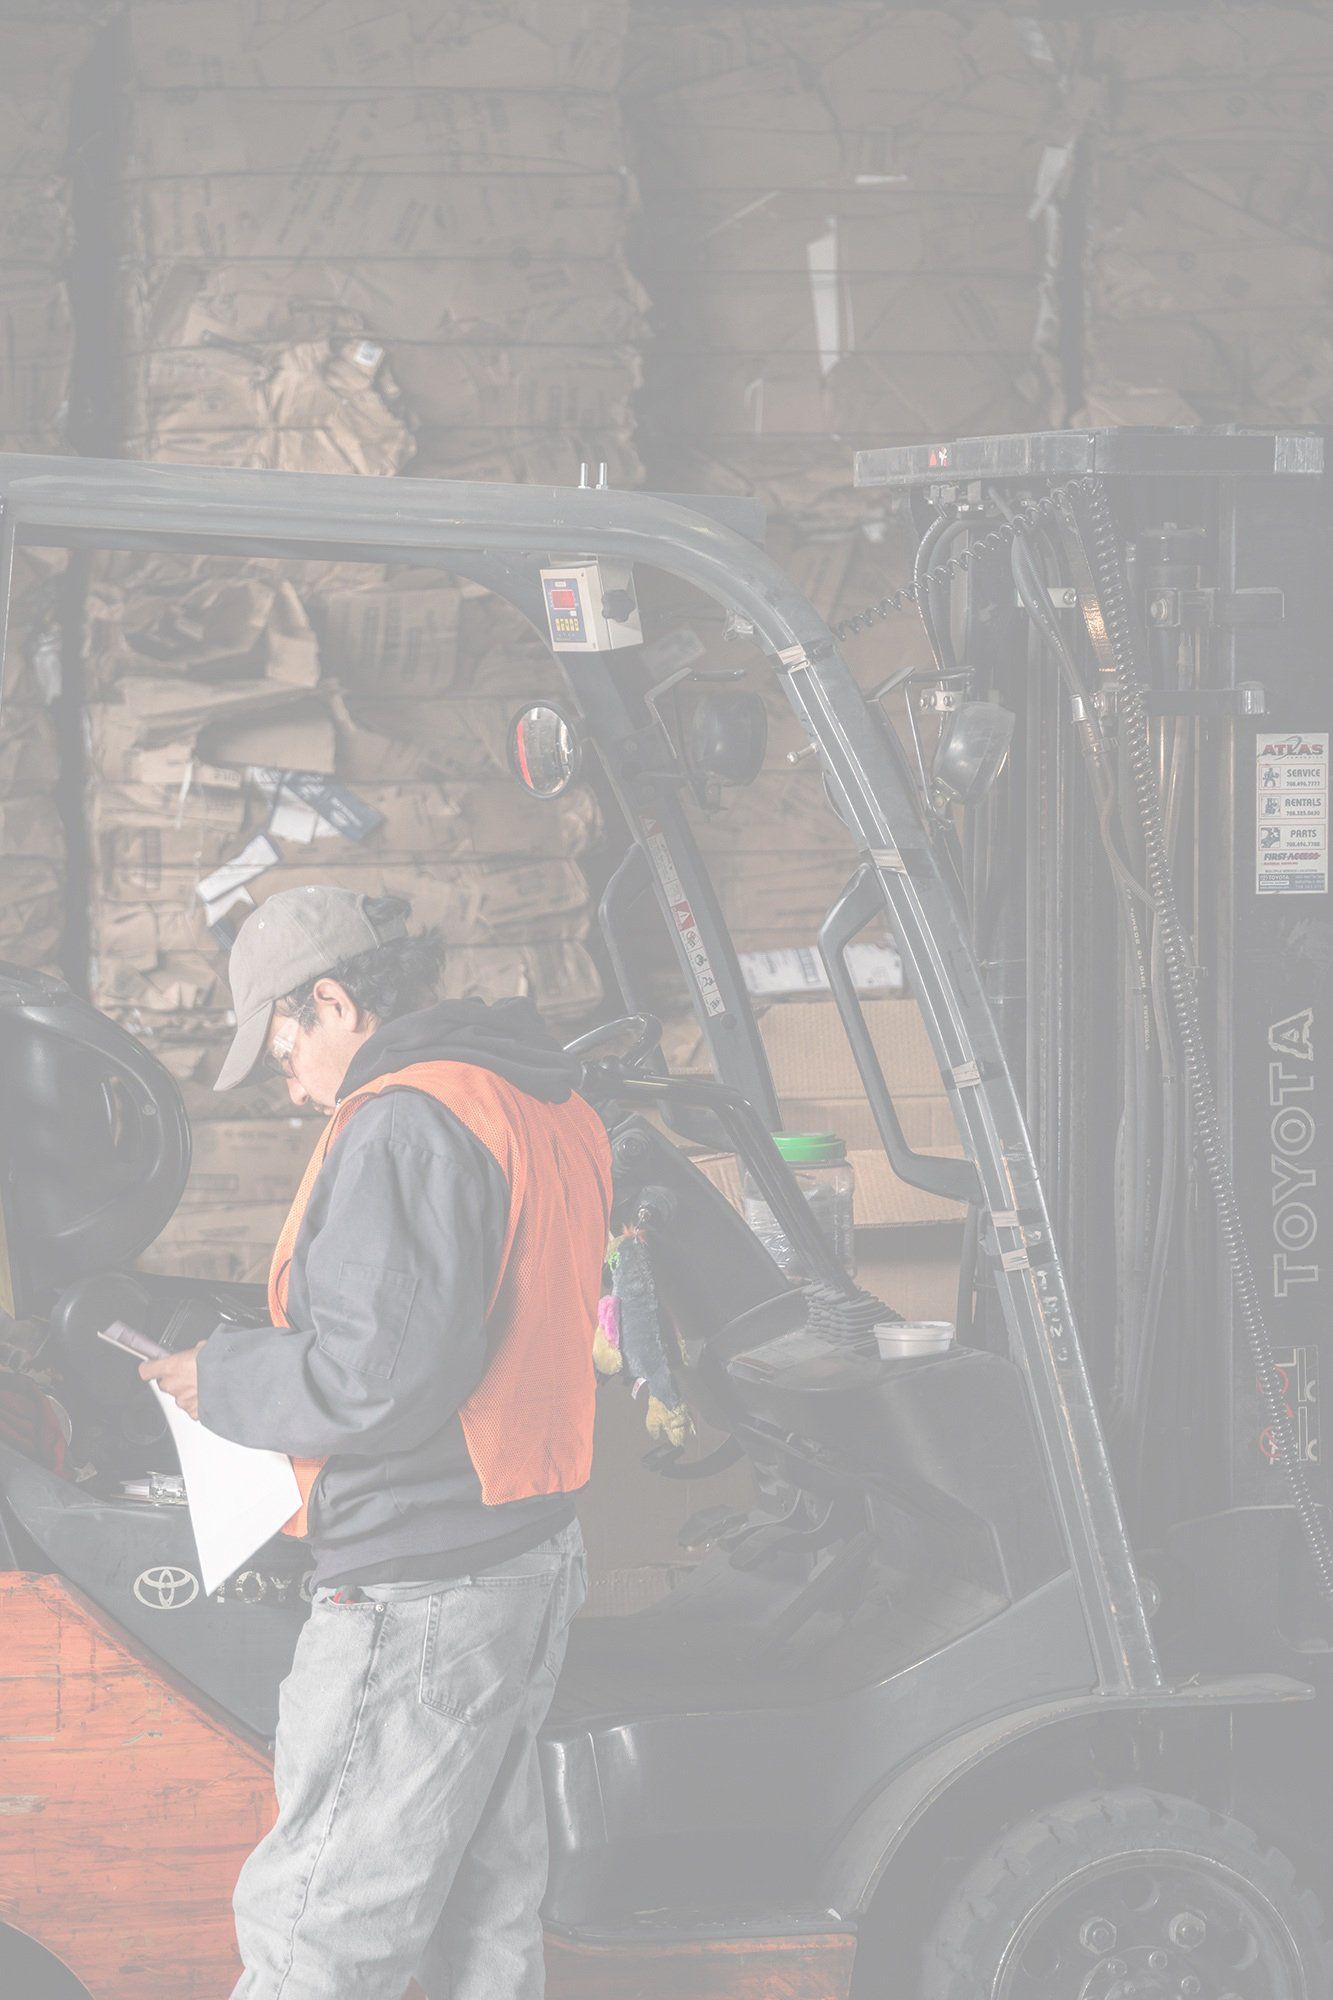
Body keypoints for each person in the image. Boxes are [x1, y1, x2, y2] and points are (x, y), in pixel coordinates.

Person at [140, 883, 612, 2000]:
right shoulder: (541, 1098)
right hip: (521, 1557)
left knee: (320, 1933)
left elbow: (375, 1376)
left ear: (334, 1001)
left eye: (281, 1041)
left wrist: (221, 1374)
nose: (286, 1074)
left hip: (420, 1589)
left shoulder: (406, 1117)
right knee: (478, 1929)